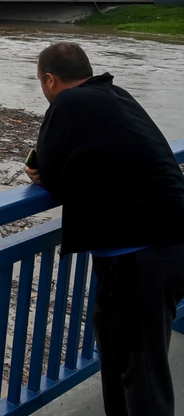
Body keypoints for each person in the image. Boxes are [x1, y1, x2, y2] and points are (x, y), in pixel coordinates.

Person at [25, 42, 184, 416]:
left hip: (138, 254)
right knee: (119, 351)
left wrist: (38, 173)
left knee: (142, 368)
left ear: (49, 79)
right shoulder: (115, 94)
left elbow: (51, 169)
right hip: (161, 244)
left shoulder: (68, 104)